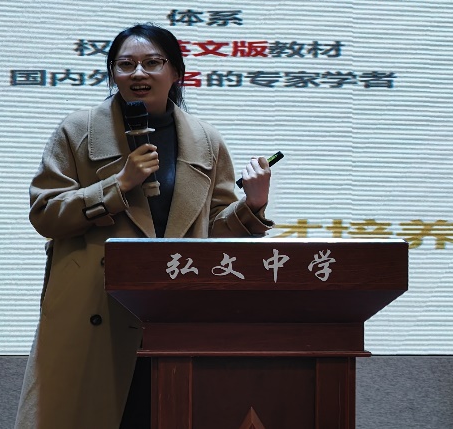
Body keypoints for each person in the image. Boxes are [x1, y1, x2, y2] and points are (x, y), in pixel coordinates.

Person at [14, 23, 274, 428]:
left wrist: (252, 204)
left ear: (176, 72)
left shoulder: (206, 141)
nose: (139, 73)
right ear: (112, 73)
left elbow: (213, 233)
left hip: (175, 311)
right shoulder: (78, 132)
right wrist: (118, 184)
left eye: (153, 63)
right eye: (126, 65)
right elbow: (45, 213)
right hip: (94, 309)